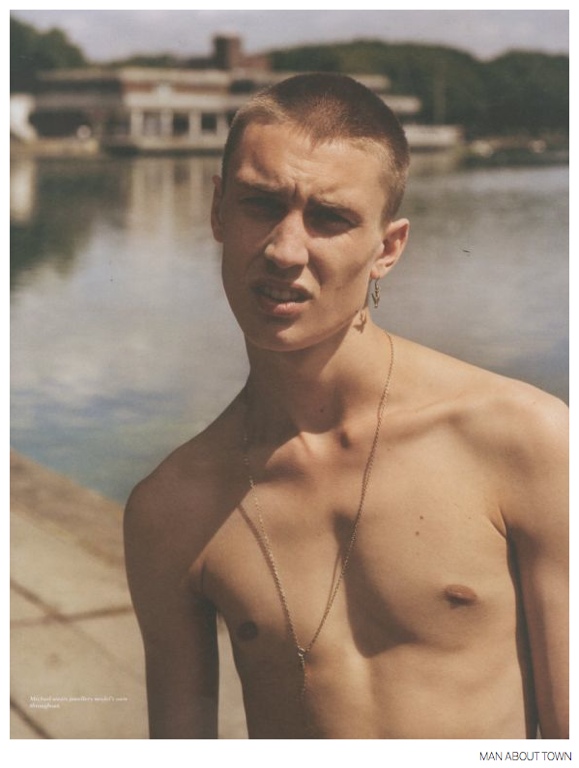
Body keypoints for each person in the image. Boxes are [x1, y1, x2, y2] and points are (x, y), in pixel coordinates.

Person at [124, 73, 568, 739]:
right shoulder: (172, 509)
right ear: (217, 211)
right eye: (259, 204)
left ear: (387, 248)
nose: (284, 251)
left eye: (329, 218)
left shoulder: (523, 441)